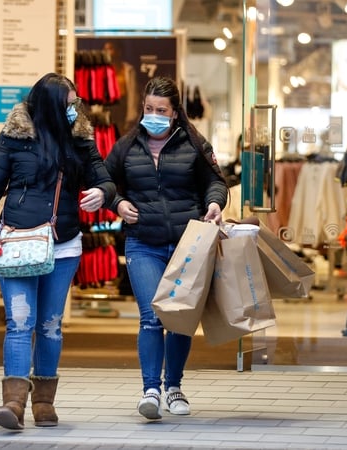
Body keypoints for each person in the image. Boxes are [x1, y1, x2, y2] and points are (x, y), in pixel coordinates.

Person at [0, 73, 116, 430]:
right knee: (20, 322)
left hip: (63, 245)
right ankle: (13, 403)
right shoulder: (13, 138)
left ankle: (44, 402)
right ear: (49, 106)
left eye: (75, 104)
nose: (74, 110)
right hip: (17, 245)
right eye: (67, 105)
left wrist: (103, 193)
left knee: (50, 325)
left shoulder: (80, 139)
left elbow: (103, 178)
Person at [104, 76, 228, 421]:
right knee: (151, 317)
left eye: (161, 110)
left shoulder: (194, 144)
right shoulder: (126, 146)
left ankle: (174, 387)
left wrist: (214, 203)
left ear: (175, 113)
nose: (154, 116)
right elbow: (105, 182)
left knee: (179, 318)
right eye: (149, 109)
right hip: (143, 242)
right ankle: (151, 391)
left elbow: (216, 182)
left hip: (187, 245)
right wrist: (117, 203)